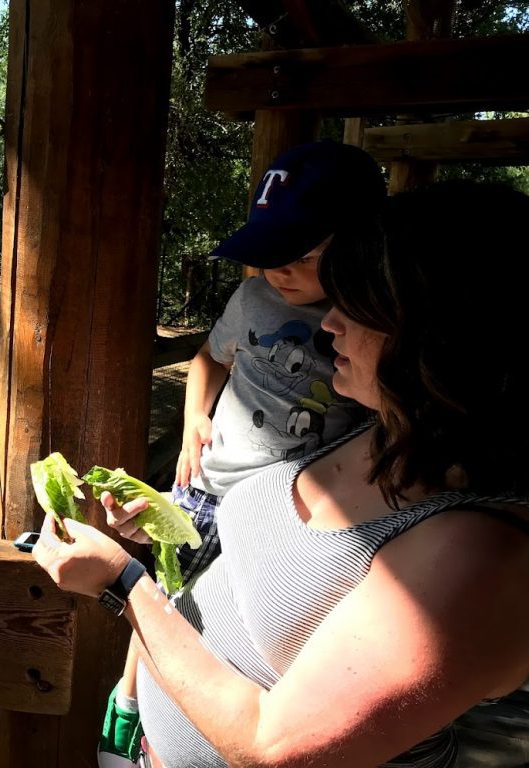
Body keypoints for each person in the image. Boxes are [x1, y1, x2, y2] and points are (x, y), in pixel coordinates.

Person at [34, 180, 529, 768]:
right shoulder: (380, 429)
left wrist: (122, 582)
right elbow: (256, 569)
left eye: (362, 307)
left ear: (444, 337)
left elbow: (275, 747)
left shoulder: (482, 555)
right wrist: (162, 531)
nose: (329, 325)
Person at [99, 140, 382, 767]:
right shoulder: (252, 301)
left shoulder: (367, 327)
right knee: (172, 594)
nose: (278, 268)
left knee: (234, 611)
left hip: (286, 506)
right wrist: (193, 420)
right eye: (266, 253)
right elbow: (207, 358)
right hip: (213, 482)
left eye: (301, 255)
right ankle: (128, 696)